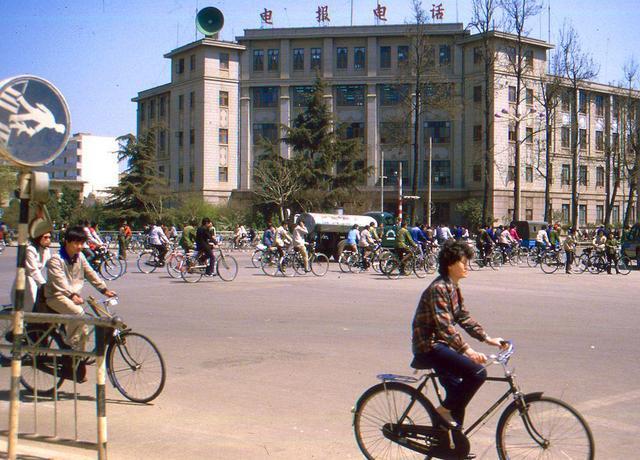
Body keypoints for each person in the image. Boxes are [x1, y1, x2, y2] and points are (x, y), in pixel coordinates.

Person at [411, 240, 507, 428]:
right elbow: (444, 327)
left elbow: (463, 317)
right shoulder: (438, 288)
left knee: (458, 394)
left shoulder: (452, 287)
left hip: (442, 345)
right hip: (429, 346)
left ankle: (452, 446)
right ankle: (442, 412)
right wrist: (468, 351)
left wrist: (488, 339)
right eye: (463, 262)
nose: (466, 266)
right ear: (450, 264)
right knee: (478, 373)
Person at [44, 226, 117, 351]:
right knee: (78, 314)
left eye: (82, 243)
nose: (80, 247)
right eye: (76, 243)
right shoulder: (56, 259)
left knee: (84, 328)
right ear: (67, 241)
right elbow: (59, 281)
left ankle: (80, 355)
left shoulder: (80, 256)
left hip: (72, 296)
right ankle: (70, 349)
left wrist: (104, 290)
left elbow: (90, 273)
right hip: (57, 295)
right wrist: (72, 295)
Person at [11, 222, 52, 311]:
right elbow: (33, 270)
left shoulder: (46, 250)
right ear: (38, 238)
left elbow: (51, 265)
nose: (48, 240)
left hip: (36, 281)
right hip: (26, 282)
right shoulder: (30, 249)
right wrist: (43, 284)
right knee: (29, 308)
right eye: (45, 237)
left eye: (49, 237)